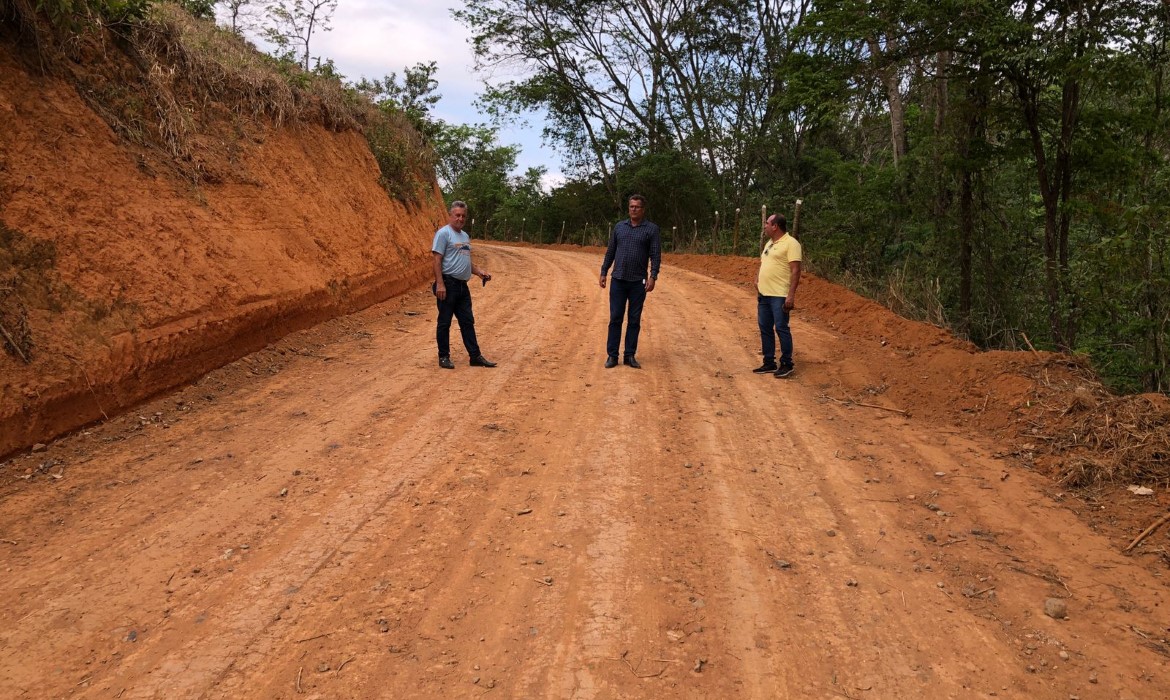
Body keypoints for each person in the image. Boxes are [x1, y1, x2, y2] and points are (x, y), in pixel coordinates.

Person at [599, 194, 661, 368]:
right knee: (615, 318)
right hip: (618, 279)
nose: (633, 209)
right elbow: (610, 251)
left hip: (638, 282)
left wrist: (653, 276)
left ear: (643, 209)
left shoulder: (651, 229)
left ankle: (629, 355)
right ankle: (612, 355)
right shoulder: (619, 227)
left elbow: (655, 255)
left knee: (634, 320)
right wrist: (604, 271)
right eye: (631, 206)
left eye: (637, 207)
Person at [432, 201, 496, 369]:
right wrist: (440, 283)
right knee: (444, 322)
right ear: (450, 216)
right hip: (448, 284)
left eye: (463, 216)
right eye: (457, 215)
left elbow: (466, 261)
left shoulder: (465, 236)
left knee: (467, 321)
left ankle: (475, 356)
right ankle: (443, 357)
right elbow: (437, 259)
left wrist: (479, 272)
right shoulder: (443, 234)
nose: (460, 218)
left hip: (462, 287)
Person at [753, 213, 802, 378]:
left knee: (781, 328)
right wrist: (757, 278)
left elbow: (796, 270)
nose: (765, 226)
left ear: (775, 226)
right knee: (765, 328)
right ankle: (769, 362)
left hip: (779, 295)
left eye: (767, 223)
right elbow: (763, 262)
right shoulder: (769, 243)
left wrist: (791, 295)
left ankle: (787, 363)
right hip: (764, 294)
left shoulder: (791, 244)